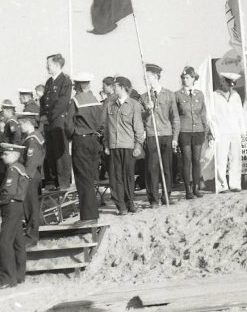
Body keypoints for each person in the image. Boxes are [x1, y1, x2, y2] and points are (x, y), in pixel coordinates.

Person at [65, 73, 105, 220]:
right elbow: (102, 123)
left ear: (78, 85)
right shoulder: (96, 100)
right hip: (94, 140)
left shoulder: (75, 101)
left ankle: (88, 216)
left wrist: (71, 136)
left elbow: (68, 125)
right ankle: (93, 213)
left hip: (81, 140)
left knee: (83, 180)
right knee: (91, 178)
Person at [140, 64, 180, 207]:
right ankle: (153, 199)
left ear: (156, 77)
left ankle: (166, 196)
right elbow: (140, 118)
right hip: (151, 135)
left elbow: (175, 118)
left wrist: (175, 137)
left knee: (167, 168)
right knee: (152, 169)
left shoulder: (169, 94)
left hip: (166, 134)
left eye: (148, 76)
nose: (145, 79)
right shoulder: (144, 97)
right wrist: (147, 110)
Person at [104, 77, 145, 215]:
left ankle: (130, 203)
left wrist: (138, 146)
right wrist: (106, 145)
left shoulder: (134, 105)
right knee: (116, 178)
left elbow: (139, 128)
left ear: (122, 87)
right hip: (113, 146)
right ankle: (121, 206)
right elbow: (107, 127)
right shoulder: (110, 104)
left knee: (128, 176)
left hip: (128, 146)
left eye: (115, 86)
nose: (113, 88)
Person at [0, 142, 30, 289]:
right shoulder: (20, 168)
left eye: (6, 154)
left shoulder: (12, 169)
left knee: (5, 242)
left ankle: (7, 278)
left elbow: (8, 191)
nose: (3, 157)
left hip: (10, 206)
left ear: (15, 155)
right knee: (18, 241)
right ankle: (19, 275)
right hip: (17, 206)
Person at [40, 54, 73, 190]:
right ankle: (54, 181)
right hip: (49, 123)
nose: (47, 67)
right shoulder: (49, 82)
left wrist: (50, 117)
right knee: (51, 153)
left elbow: (62, 102)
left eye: (49, 64)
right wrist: (42, 115)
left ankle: (63, 182)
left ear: (57, 65)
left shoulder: (65, 81)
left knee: (61, 153)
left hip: (58, 121)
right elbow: (44, 100)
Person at [211, 72, 247, 193]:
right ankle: (221, 185)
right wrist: (214, 131)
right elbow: (211, 116)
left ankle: (235, 184)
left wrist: (243, 130)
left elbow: (240, 114)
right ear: (222, 82)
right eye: (228, 84)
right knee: (221, 159)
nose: (230, 87)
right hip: (221, 132)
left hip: (235, 131)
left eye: (232, 85)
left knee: (236, 158)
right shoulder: (214, 96)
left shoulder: (236, 95)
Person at [175, 67, 208, 198]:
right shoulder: (177, 95)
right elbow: (175, 116)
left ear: (194, 79)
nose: (185, 80)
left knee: (196, 160)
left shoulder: (200, 94)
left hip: (198, 130)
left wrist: (206, 129)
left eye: (188, 77)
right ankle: (187, 189)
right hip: (184, 131)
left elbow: (203, 114)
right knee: (186, 160)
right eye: (183, 78)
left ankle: (196, 187)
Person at [17, 111, 44, 246]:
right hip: (34, 175)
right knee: (32, 205)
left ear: (27, 123)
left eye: (21, 124)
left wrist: (25, 177)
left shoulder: (32, 140)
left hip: (30, 176)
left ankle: (32, 236)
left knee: (30, 206)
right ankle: (33, 231)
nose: (19, 127)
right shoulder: (35, 137)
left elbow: (31, 162)